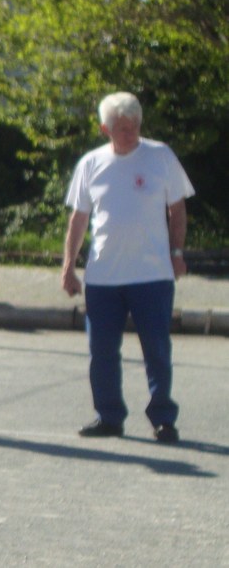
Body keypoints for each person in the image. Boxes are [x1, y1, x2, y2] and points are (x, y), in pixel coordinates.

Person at [62, 92, 195, 444]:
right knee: (102, 351)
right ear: (105, 128)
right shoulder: (91, 163)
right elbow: (79, 218)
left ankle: (163, 417)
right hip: (103, 276)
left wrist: (177, 251)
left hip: (152, 273)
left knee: (156, 348)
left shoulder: (160, 156)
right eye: (121, 127)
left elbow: (177, 209)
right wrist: (68, 267)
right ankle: (108, 416)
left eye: (134, 125)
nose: (129, 133)